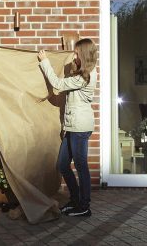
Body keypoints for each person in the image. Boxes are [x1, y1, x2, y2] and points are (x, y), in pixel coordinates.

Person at [38, 38, 97, 217]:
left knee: (81, 166)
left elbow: (57, 84)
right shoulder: (80, 72)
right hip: (72, 127)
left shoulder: (84, 77)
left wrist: (45, 62)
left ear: (84, 54)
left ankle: (84, 206)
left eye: (76, 53)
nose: (74, 55)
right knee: (63, 165)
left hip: (80, 128)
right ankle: (75, 200)